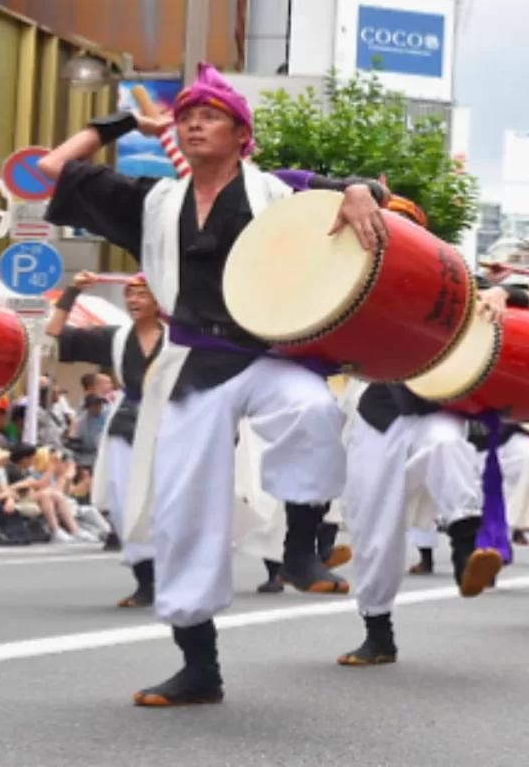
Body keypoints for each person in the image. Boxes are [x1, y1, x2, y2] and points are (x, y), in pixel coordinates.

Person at [38, 63, 390, 707]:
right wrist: (119, 124)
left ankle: (301, 548)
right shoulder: (154, 200)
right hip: (190, 361)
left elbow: (366, 193)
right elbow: (50, 169)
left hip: (264, 352)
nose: (194, 123)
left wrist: (362, 190)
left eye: (211, 116)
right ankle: (199, 665)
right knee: (180, 513)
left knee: (312, 409)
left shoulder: (278, 192)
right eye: (186, 117)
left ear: (242, 134)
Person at [339, 199, 527, 666]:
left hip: (437, 403)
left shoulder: (454, 278)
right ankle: (378, 631)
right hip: (380, 409)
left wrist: (508, 293)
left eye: (403, 228)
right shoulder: (350, 281)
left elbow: (515, 288)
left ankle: (467, 552)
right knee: (373, 526)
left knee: (446, 446)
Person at [46, 270, 164, 607]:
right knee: (128, 505)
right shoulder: (116, 336)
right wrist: (72, 292)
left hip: (172, 423)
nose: (133, 301)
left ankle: (174, 576)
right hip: (128, 424)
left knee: (170, 505)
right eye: (129, 295)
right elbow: (55, 332)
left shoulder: (179, 338)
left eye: (141, 295)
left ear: (159, 300)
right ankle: (145, 581)